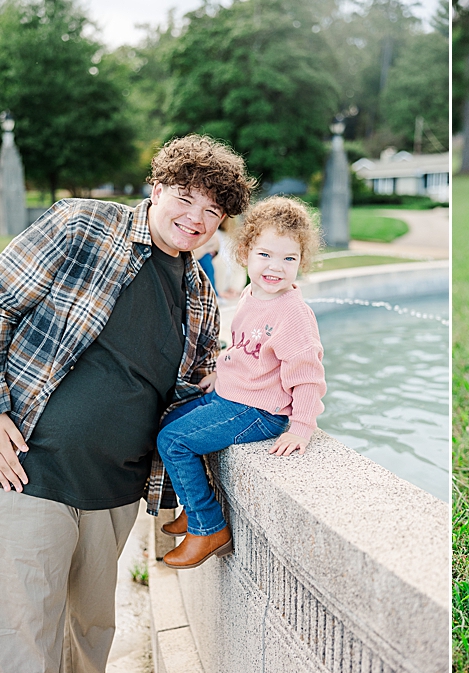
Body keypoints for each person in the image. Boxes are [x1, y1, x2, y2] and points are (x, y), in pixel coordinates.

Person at [0, 134, 254, 673]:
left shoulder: (201, 298)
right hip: (26, 474)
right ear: (157, 188)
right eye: (185, 198)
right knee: (24, 643)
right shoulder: (83, 226)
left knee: (89, 642)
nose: (195, 218)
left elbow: (198, 394)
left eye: (212, 210)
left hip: (115, 495)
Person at [154, 195, 326, 569]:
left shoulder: (294, 315)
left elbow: (309, 378)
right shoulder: (252, 294)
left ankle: (208, 526)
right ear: (246, 252)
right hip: (232, 397)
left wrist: (300, 429)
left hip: (259, 411)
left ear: (302, 262)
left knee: (174, 441)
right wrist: (222, 372)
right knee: (168, 420)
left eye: (289, 259)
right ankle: (194, 503)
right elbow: (245, 350)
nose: (275, 268)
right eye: (265, 255)